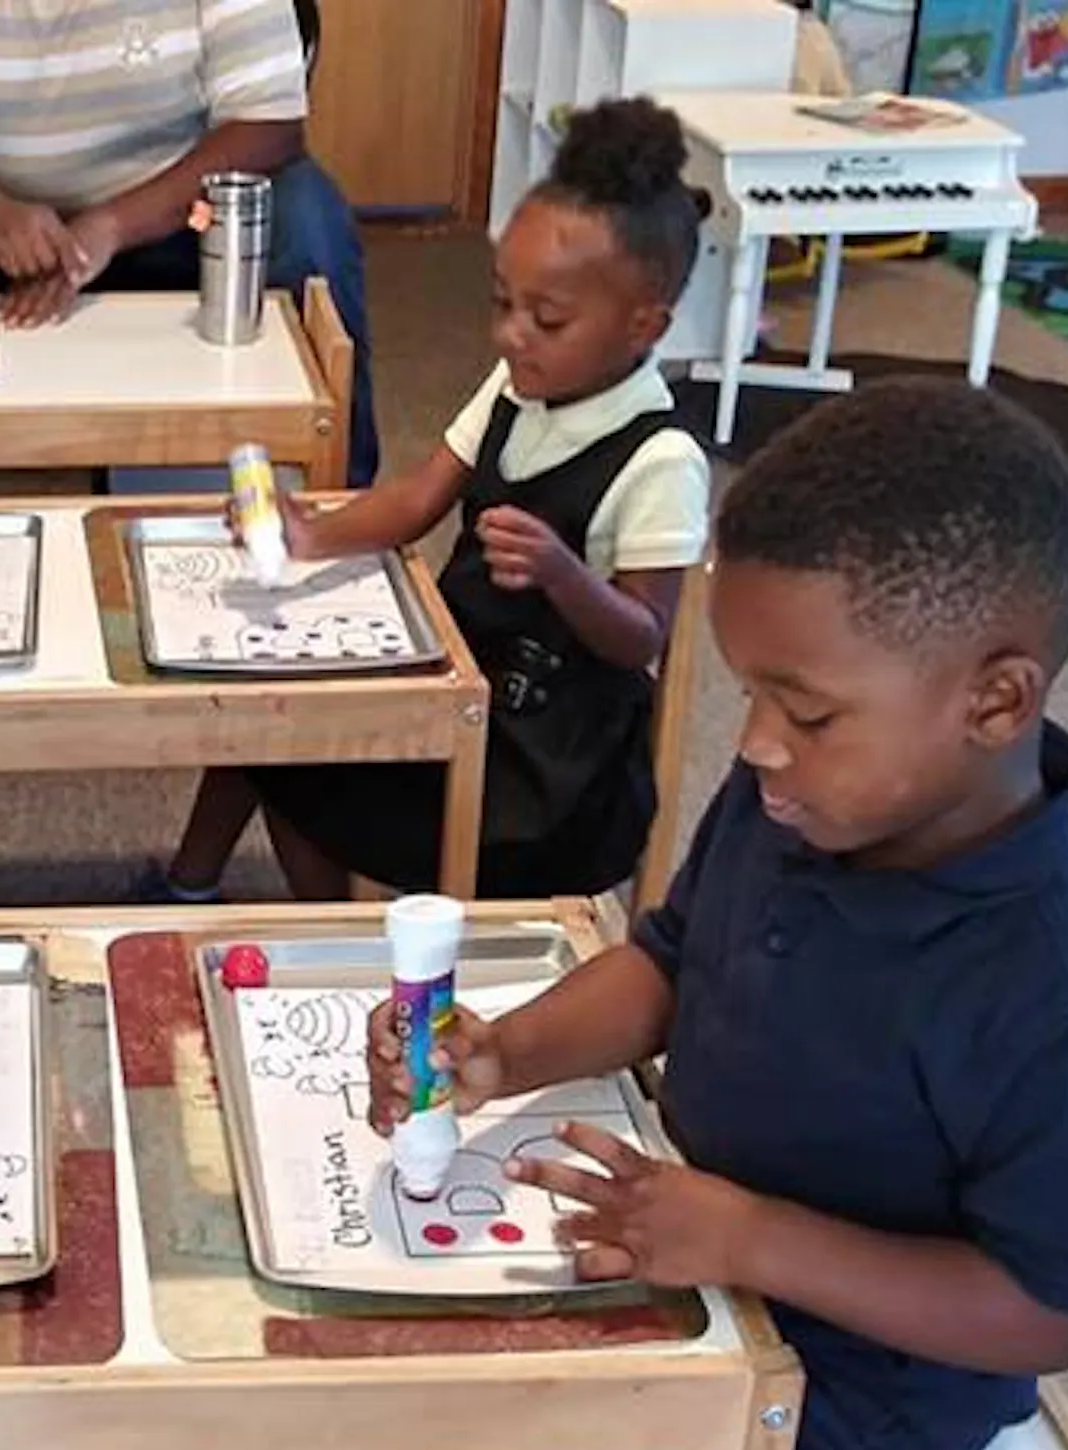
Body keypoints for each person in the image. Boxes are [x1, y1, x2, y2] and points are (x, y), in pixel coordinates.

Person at [378, 378, 1068, 1450]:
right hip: (702, 1232)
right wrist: (511, 1051)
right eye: (753, 694)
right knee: (433, 1355)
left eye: (806, 714)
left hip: (864, 1374)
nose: (754, 744)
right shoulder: (804, 802)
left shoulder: (1063, 1001)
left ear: (998, 703)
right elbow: (669, 960)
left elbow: (1048, 1313)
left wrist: (752, 1239)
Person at [181, 97, 712, 902]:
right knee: (266, 717)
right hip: (456, 689)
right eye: (502, 301)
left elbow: (641, 635)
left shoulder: (661, 460)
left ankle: (345, 937)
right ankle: (200, 890)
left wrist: (563, 574)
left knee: (291, 765)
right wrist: (309, 533)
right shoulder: (517, 385)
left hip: (548, 774)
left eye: (547, 319)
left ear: (645, 326)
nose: (510, 335)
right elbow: (418, 497)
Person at [0, 0, 380, 481]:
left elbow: (268, 124)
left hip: (172, 218)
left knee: (307, 217)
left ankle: (343, 500)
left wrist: (110, 226)